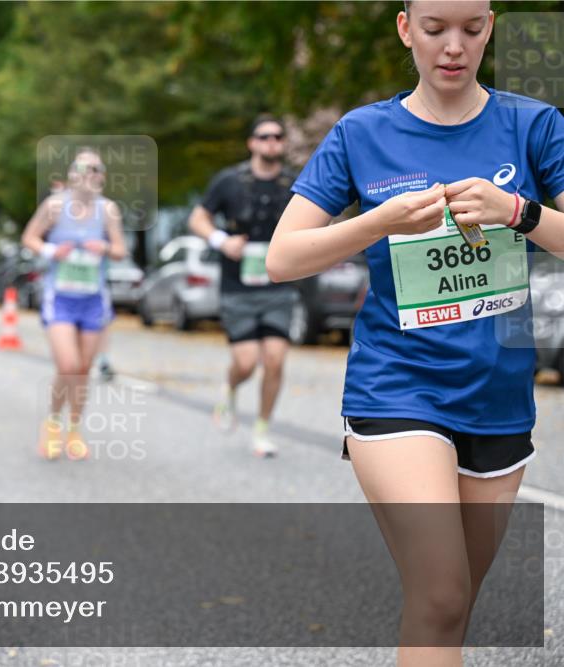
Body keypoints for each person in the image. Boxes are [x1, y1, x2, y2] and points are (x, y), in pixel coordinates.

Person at [266, 2, 564, 664]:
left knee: (450, 607)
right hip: (396, 387)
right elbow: (282, 257)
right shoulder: (360, 133)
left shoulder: (535, 125)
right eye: (436, 30)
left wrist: (518, 210)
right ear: (406, 29)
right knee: (439, 592)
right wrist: (380, 222)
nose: (454, 46)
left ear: (490, 27)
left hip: (498, 395)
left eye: (472, 29)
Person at [188, 113, 298, 457]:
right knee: (248, 361)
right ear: (252, 142)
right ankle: (231, 387)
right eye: (264, 136)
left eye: (278, 136)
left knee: (276, 360)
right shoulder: (229, 181)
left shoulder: (294, 184)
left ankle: (262, 429)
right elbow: (198, 218)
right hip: (238, 286)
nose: (271, 142)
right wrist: (222, 241)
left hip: (278, 284)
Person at [22, 148, 127, 460]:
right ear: (71, 175)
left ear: (102, 177)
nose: (89, 175)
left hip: (93, 298)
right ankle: (53, 423)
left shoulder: (108, 210)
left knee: (82, 369)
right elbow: (29, 238)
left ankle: (75, 429)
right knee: (66, 366)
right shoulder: (55, 206)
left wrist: (105, 247)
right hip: (61, 297)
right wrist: (52, 252)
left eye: (95, 169)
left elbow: (121, 250)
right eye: (83, 168)